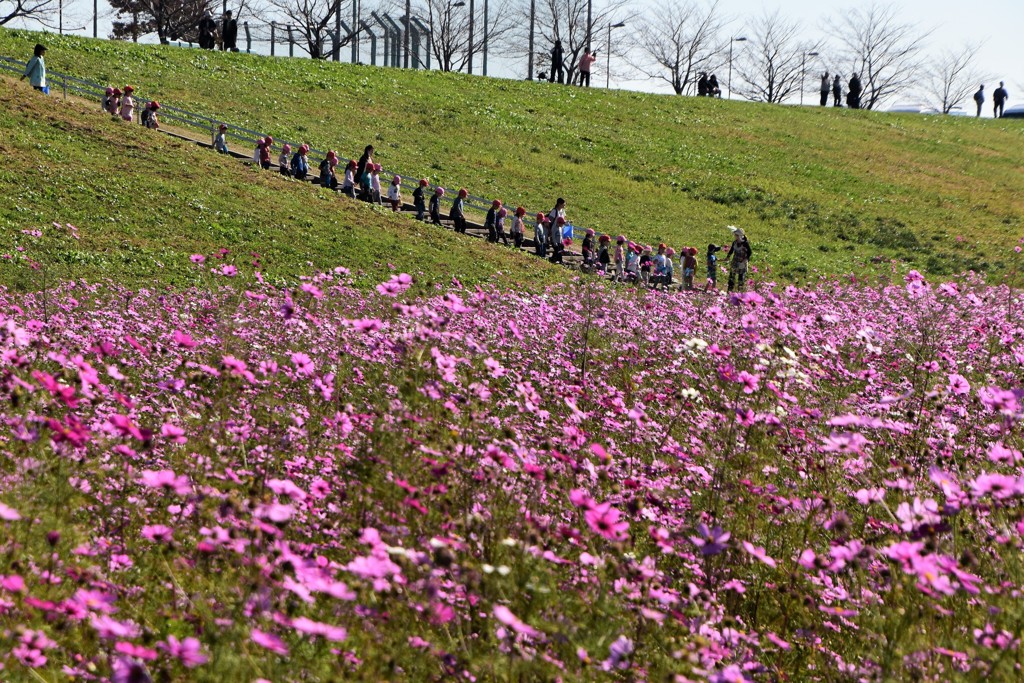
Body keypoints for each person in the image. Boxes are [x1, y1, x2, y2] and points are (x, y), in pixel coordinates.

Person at [725, 227, 752, 292]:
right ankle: (729, 290)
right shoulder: (735, 242)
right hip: (735, 261)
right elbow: (731, 250)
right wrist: (728, 257)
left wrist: (746, 259)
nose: (735, 236)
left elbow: (750, 252)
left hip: (742, 262)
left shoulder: (745, 243)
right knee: (732, 276)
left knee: (741, 278)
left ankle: (740, 291)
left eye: (736, 235)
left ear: (740, 236)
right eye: (735, 235)